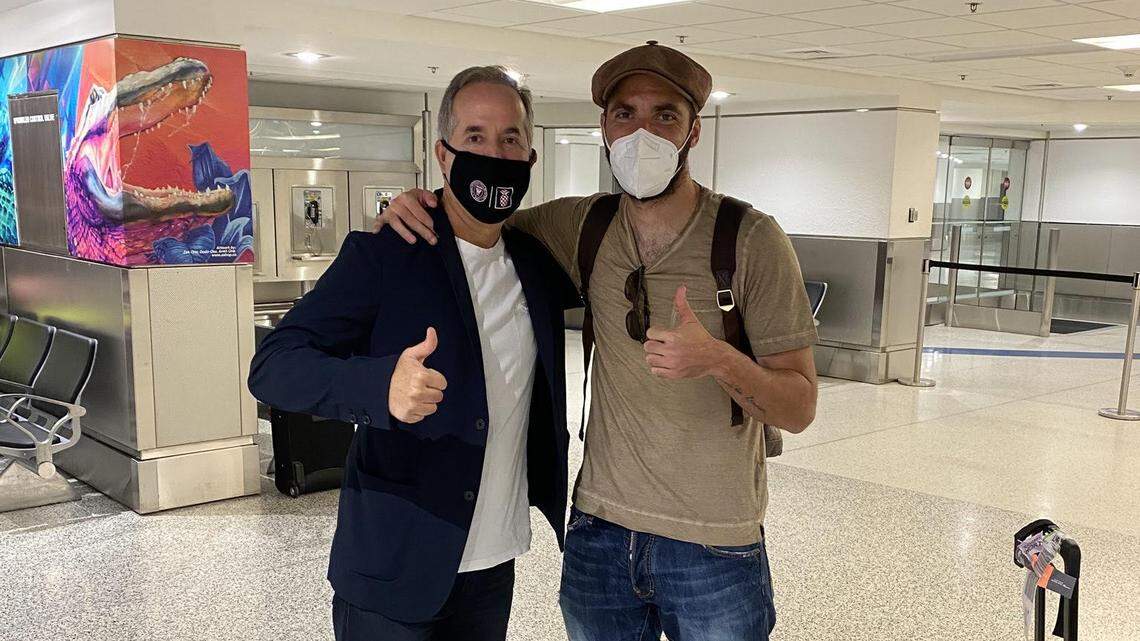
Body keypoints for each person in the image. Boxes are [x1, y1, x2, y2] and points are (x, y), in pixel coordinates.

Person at [378, 43, 818, 641]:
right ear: (604, 128)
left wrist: (718, 358)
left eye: (665, 115)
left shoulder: (751, 240)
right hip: (599, 535)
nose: (643, 132)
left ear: (693, 131)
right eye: (624, 113)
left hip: (715, 545)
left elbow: (799, 407)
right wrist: (413, 202)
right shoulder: (582, 226)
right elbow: (477, 216)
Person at [248, 66, 579, 641]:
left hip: (493, 563)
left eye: (510, 139)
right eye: (475, 136)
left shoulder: (536, 263)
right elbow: (273, 364)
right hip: (394, 566)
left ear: (530, 155)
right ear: (444, 155)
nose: (494, 153)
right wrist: (379, 388)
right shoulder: (389, 253)